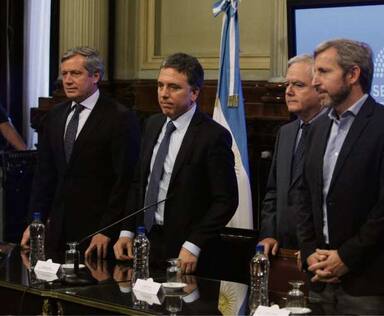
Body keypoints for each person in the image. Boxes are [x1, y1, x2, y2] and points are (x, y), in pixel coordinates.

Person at [296, 39, 384, 314]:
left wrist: (345, 258)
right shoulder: (317, 127)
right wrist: (310, 251)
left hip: (368, 284)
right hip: (318, 277)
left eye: (324, 72)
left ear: (353, 75)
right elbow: (303, 195)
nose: (314, 81)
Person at [113, 53, 238, 275]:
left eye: (173, 87)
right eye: (160, 85)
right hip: (146, 241)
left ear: (195, 92)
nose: (164, 94)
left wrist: (194, 244)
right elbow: (138, 183)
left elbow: (226, 200)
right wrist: (126, 231)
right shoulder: (152, 124)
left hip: (186, 249)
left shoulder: (212, 136)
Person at [20, 46, 140, 258]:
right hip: (57, 229)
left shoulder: (119, 118)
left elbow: (124, 182)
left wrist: (107, 229)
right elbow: (44, 175)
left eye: (75, 73)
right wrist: (35, 222)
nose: (67, 80)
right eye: (64, 74)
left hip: (97, 234)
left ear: (96, 76)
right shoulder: (55, 115)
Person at [259, 54, 325, 255]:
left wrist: (312, 246)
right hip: (281, 248)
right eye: (287, 84)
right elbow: (273, 191)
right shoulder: (286, 132)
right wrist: (268, 233)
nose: (288, 91)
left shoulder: (332, 132)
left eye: (298, 85)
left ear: (319, 88)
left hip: (318, 251)